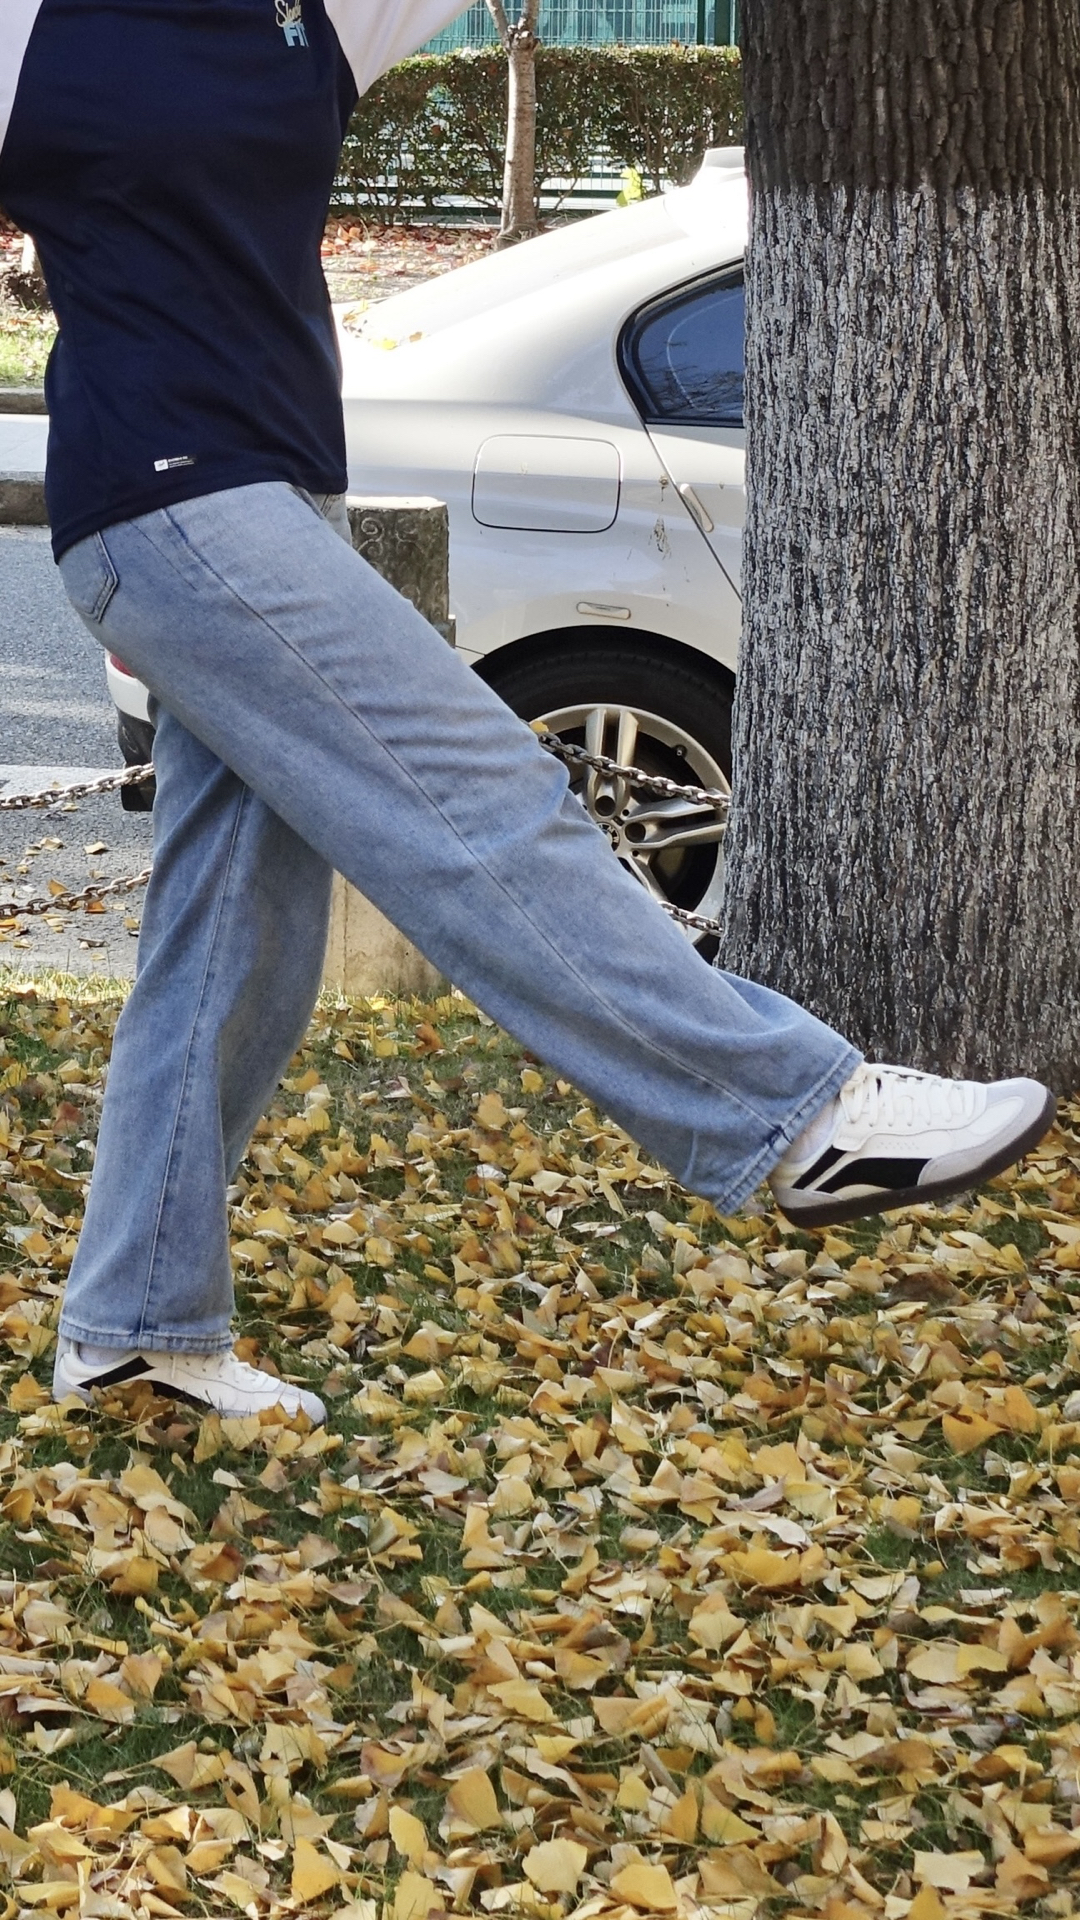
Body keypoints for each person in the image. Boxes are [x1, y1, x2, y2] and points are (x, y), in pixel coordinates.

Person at [0, 0, 1054, 1427]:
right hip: (163, 505)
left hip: (279, 499)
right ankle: (791, 1115)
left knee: (234, 934)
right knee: (477, 798)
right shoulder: (30, 29)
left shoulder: (309, 13)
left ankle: (137, 1326)